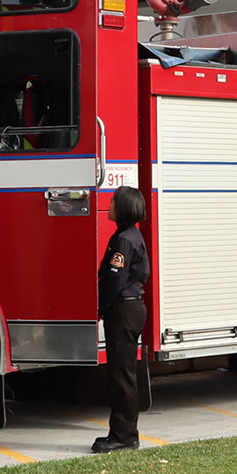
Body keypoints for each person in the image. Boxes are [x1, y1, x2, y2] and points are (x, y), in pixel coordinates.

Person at [92, 186, 149, 454]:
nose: (110, 204)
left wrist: (99, 307)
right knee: (119, 374)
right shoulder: (127, 235)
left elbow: (115, 280)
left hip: (124, 311)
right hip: (128, 309)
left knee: (123, 376)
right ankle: (118, 432)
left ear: (123, 207)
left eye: (113, 201)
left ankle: (125, 436)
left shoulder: (125, 240)